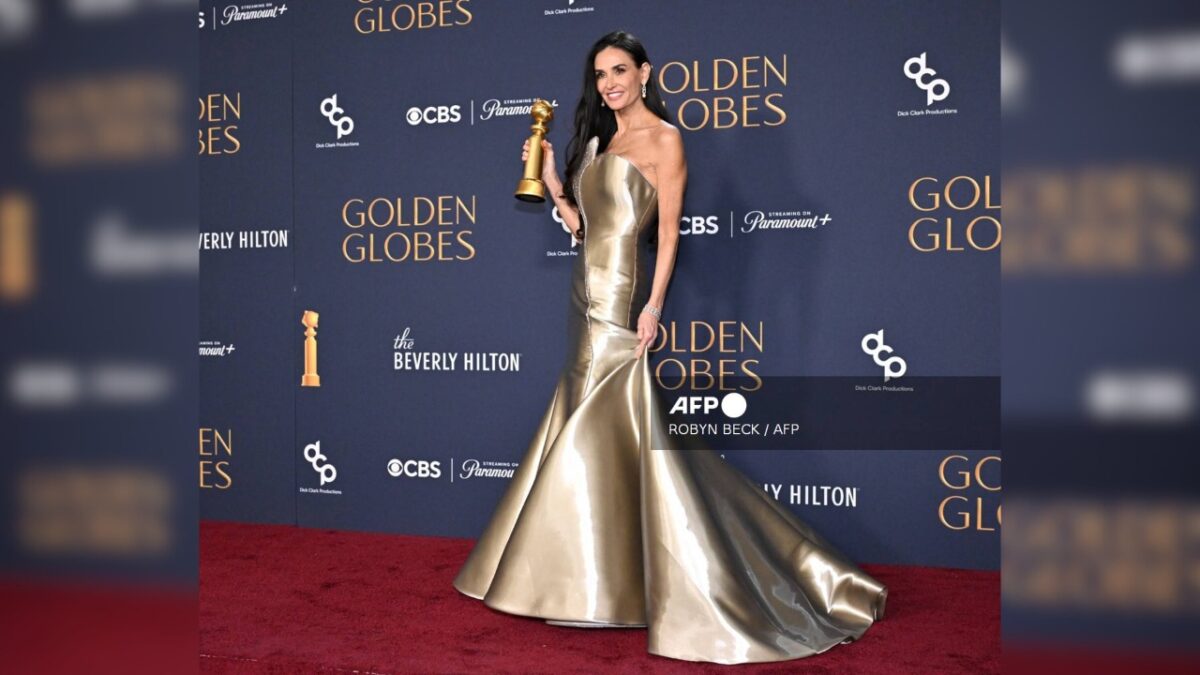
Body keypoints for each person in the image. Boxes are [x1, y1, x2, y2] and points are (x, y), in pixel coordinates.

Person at [453, 30, 886, 664]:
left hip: (624, 299)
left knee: (601, 428)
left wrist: (653, 307)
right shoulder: (598, 142)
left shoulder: (665, 141)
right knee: (593, 429)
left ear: (646, 74)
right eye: (600, 74)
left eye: (620, 70)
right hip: (582, 298)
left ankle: (614, 585)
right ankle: (596, 579)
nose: (609, 83)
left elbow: (671, 233)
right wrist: (552, 183)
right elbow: (585, 230)